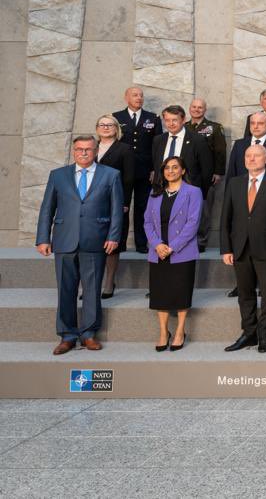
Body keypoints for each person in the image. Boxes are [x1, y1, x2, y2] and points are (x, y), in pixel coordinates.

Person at [35, 135, 123, 355]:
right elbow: (47, 208)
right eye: (79, 149)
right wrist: (43, 238)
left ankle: (88, 334)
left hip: (96, 239)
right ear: (74, 151)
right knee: (66, 289)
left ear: (96, 151)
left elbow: (116, 209)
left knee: (92, 290)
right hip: (64, 240)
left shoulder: (111, 175)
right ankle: (67, 335)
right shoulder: (58, 175)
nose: (83, 153)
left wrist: (113, 236)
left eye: (88, 149)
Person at [222, 145, 266, 354]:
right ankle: (249, 333)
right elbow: (226, 218)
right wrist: (226, 248)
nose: (252, 159)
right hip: (240, 248)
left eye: (256, 155)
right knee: (245, 294)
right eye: (248, 156)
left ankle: (264, 335)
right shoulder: (234, 183)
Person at [144, 156, 202, 352]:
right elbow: (147, 223)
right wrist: (157, 244)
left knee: (180, 292)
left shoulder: (193, 192)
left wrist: (172, 247)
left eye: (175, 167)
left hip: (181, 251)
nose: (170, 171)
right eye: (167, 168)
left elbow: (193, 223)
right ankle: (163, 332)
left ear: (183, 171)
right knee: (160, 294)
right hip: (158, 251)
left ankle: (179, 331)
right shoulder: (155, 193)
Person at [113, 86, 162, 253]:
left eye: (141, 95)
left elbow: (158, 146)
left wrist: (155, 169)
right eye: (135, 95)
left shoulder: (153, 118)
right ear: (126, 97)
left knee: (142, 207)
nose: (139, 98)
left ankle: (141, 244)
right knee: (122, 205)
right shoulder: (116, 117)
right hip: (121, 171)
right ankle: (120, 242)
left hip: (144, 171)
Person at [95, 114, 134, 298]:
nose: (105, 127)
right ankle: (93, 283)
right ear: (97, 128)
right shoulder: (90, 147)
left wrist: (124, 203)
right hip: (92, 203)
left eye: (110, 125)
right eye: (102, 125)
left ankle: (109, 282)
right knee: (94, 243)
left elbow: (128, 179)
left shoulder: (124, 149)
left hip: (115, 202)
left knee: (112, 243)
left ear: (116, 128)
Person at [187, 98, 226, 252]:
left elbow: (220, 152)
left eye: (200, 107)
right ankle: (186, 240)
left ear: (205, 109)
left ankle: (200, 242)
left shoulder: (214, 128)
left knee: (204, 210)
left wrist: (218, 172)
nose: (197, 110)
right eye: (194, 107)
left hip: (206, 176)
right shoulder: (183, 127)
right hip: (186, 176)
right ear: (190, 109)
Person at [151, 105, 213, 198]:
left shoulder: (198, 140)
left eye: (174, 120)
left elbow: (206, 171)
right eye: (167, 120)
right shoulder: (158, 140)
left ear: (183, 120)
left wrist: (200, 194)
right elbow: (156, 167)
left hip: (188, 193)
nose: (171, 123)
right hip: (161, 191)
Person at [225, 111, 266, 182]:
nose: (255, 126)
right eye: (252, 123)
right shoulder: (239, 144)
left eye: (260, 123)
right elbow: (231, 173)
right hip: (241, 191)